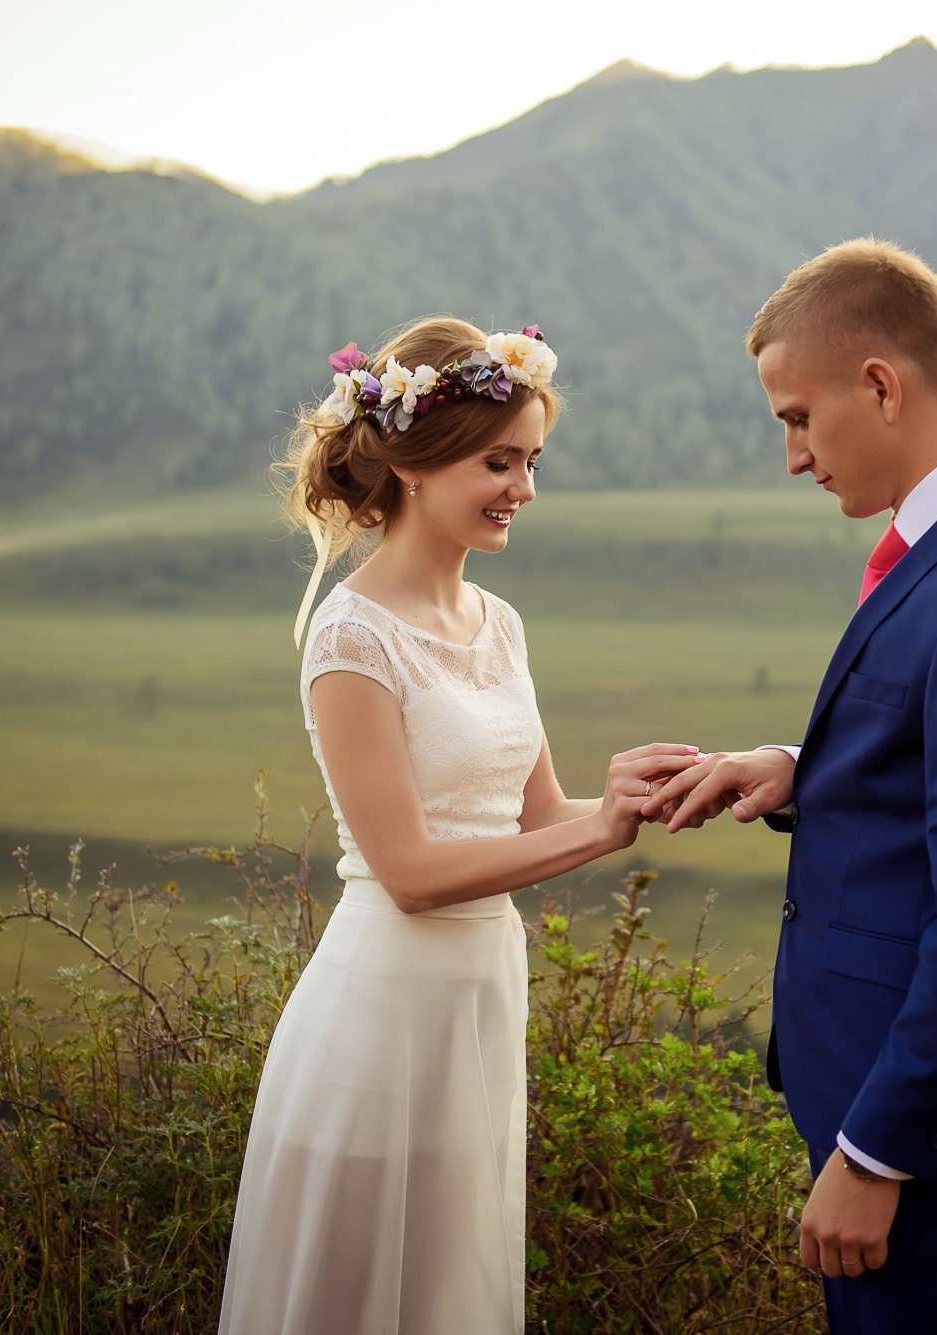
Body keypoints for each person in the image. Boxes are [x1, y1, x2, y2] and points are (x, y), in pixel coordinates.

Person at [644, 239, 937, 1334]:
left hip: (928, 1133)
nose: (794, 458)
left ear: (880, 385)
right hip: (886, 1097)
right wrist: (802, 775)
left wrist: (876, 1152)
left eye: (797, 418)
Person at [217, 317, 700, 1335]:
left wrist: (643, 792)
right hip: (381, 1016)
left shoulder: (502, 624)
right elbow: (413, 874)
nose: (524, 488)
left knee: (448, 1288)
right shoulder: (350, 637)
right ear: (413, 462)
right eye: (499, 461)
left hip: (480, 1006)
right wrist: (598, 831)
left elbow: (535, 817)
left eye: (531, 461)